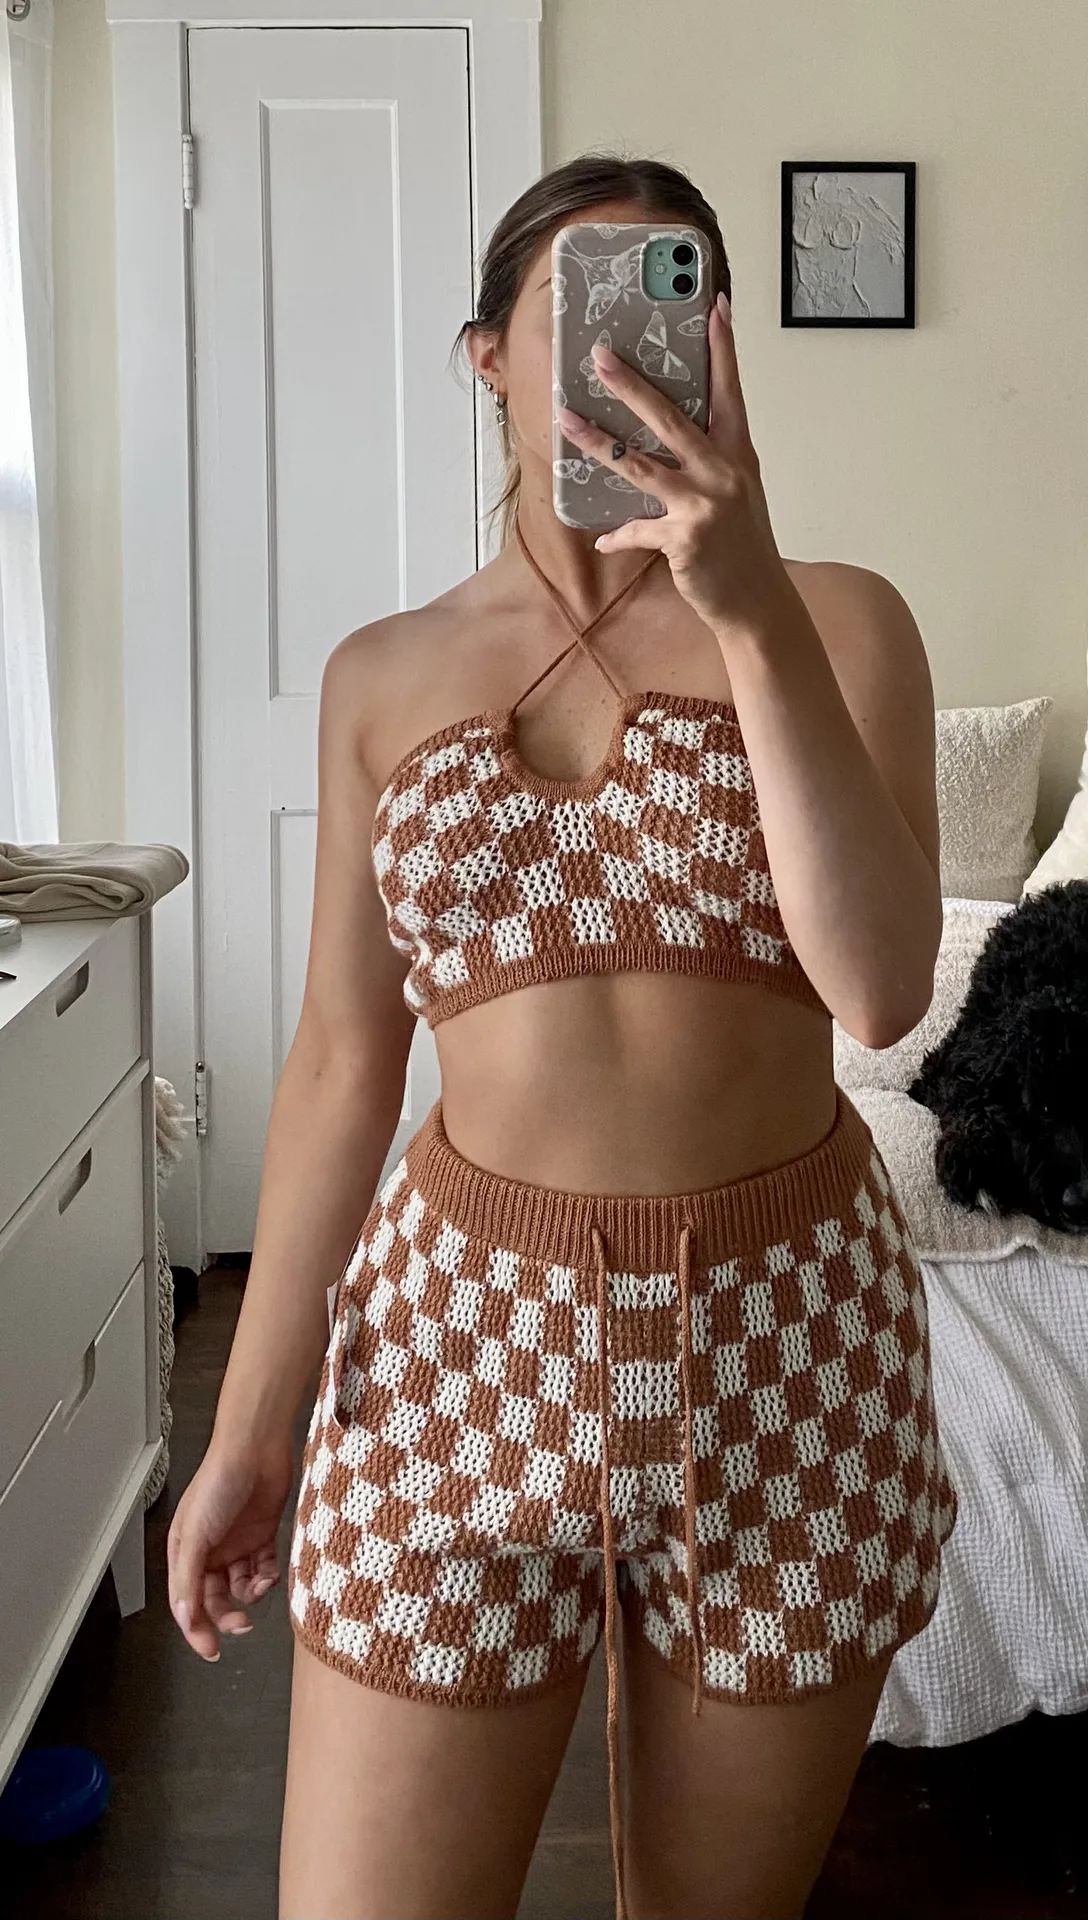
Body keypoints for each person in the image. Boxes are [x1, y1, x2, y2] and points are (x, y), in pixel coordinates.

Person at [167, 153, 958, 1920]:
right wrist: (249, 1425)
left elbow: (882, 987)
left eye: (671, 307)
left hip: (788, 1345)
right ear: (487, 356)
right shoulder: (384, 676)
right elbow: (340, 1065)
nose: (622, 357)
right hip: (460, 1344)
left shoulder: (839, 620)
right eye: (574, 312)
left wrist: (744, 602)